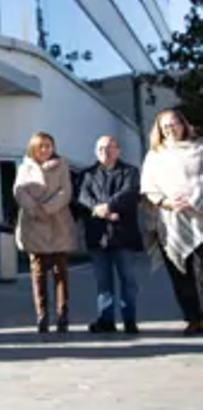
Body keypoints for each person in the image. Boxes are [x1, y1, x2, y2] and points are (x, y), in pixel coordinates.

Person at [141, 108, 203, 335]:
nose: (170, 129)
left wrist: (194, 199)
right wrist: (167, 201)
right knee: (180, 275)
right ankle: (193, 318)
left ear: (183, 124)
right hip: (170, 223)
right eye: (165, 126)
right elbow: (148, 187)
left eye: (173, 124)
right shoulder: (154, 155)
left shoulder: (199, 148)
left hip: (200, 219)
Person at [78, 135, 142, 334]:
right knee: (103, 282)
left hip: (123, 234)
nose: (105, 151)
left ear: (118, 150)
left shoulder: (130, 172)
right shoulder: (87, 174)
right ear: (96, 152)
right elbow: (82, 196)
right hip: (98, 236)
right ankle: (106, 321)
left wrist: (108, 206)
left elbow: (130, 193)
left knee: (128, 281)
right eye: (101, 148)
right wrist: (98, 209)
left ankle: (129, 320)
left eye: (110, 147)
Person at [13, 132, 75, 334]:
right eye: (41, 146)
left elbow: (65, 191)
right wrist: (34, 209)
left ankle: (62, 315)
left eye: (49, 145)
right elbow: (19, 191)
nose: (45, 149)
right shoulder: (25, 167)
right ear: (34, 148)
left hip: (57, 222)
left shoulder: (62, 164)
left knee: (61, 271)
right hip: (34, 224)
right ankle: (42, 316)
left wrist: (47, 208)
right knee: (38, 273)